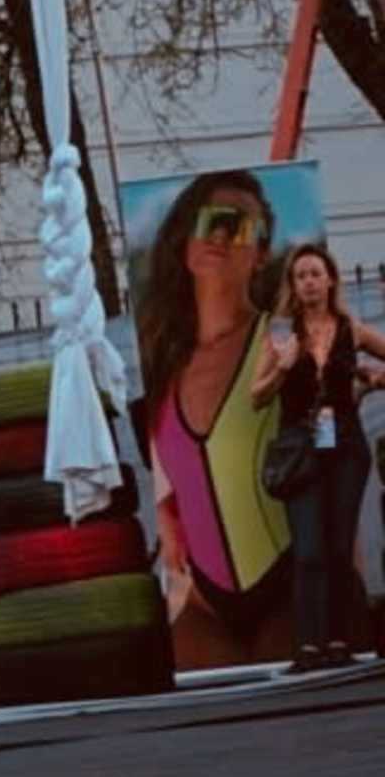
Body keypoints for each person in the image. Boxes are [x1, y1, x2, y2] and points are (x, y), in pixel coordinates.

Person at [135, 171, 292, 671]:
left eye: (239, 226)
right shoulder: (161, 363)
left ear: (261, 253)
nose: (221, 236)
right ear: (185, 243)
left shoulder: (281, 342)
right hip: (201, 600)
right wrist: (166, 516)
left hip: (289, 584)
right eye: (210, 223)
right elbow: (167, 474)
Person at [249, 241, 385, 670]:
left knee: (339, 545)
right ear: (293, 285)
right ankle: (309, 645)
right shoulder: (281, 333)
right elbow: (256, 397)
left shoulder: (351, 329)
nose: (308, 282)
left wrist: (372, 379)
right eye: (301, 275)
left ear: (329, 281)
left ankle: (341, 642)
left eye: (315, 274)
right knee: (308, 548)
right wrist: (284, 366)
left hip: (345, 445)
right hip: (300, 448)